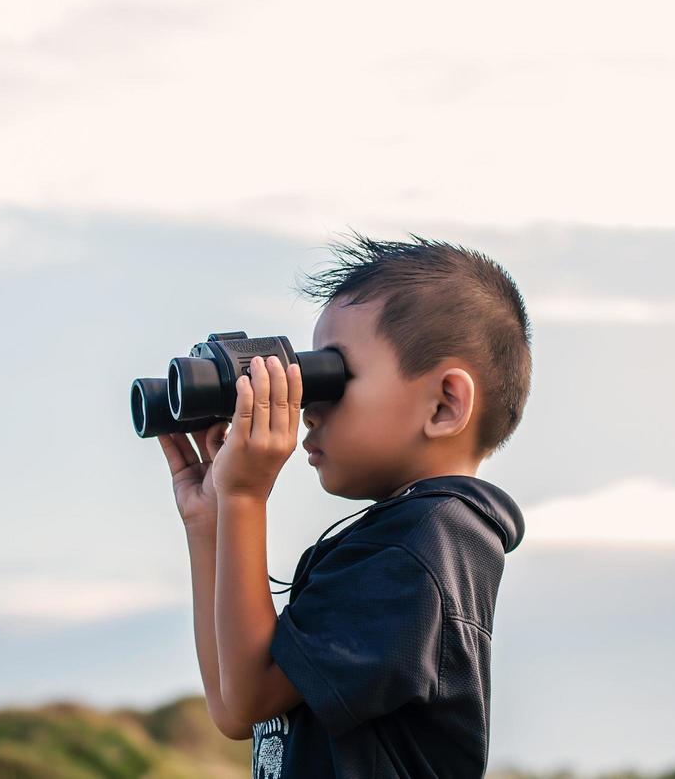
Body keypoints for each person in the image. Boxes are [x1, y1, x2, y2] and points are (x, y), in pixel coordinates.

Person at [158, 230, 531, 778]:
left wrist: (244, 495)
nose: (309, 408)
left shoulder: (422, 546)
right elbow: (232, 705)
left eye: (333, 375)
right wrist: (209, 521)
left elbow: (247, 698)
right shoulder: (406, 540)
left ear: (446, 403)